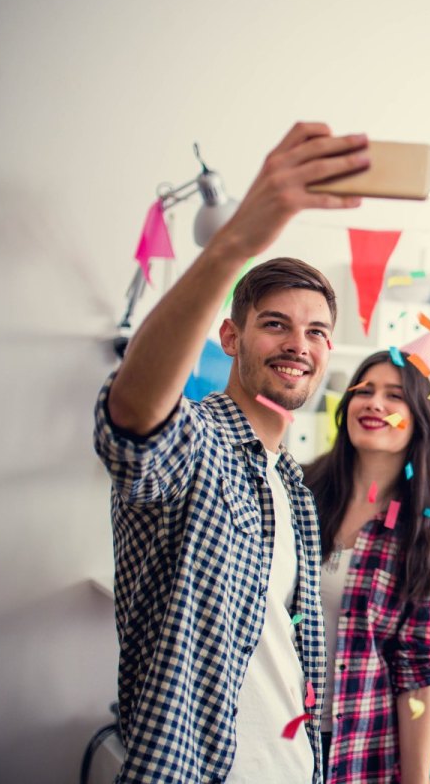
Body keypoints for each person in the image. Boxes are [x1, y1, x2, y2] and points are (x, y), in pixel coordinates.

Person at [93, 122, 371, 783]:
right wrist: (235, 242)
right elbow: (131, 421)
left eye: (316, 331)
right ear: (231, 334)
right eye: (275, 323)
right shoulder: (196, 439)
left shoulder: (295, 491)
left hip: (298, 765)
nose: (298, 344)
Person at [304, 350, 430, 784]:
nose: (374, 404)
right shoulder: (298, 492)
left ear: (419, 420)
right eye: (364, 391)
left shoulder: (427, 536)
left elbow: (419, 673)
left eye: (394, 396)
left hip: (356, 750)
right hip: (270, 734)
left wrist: (417, 779)